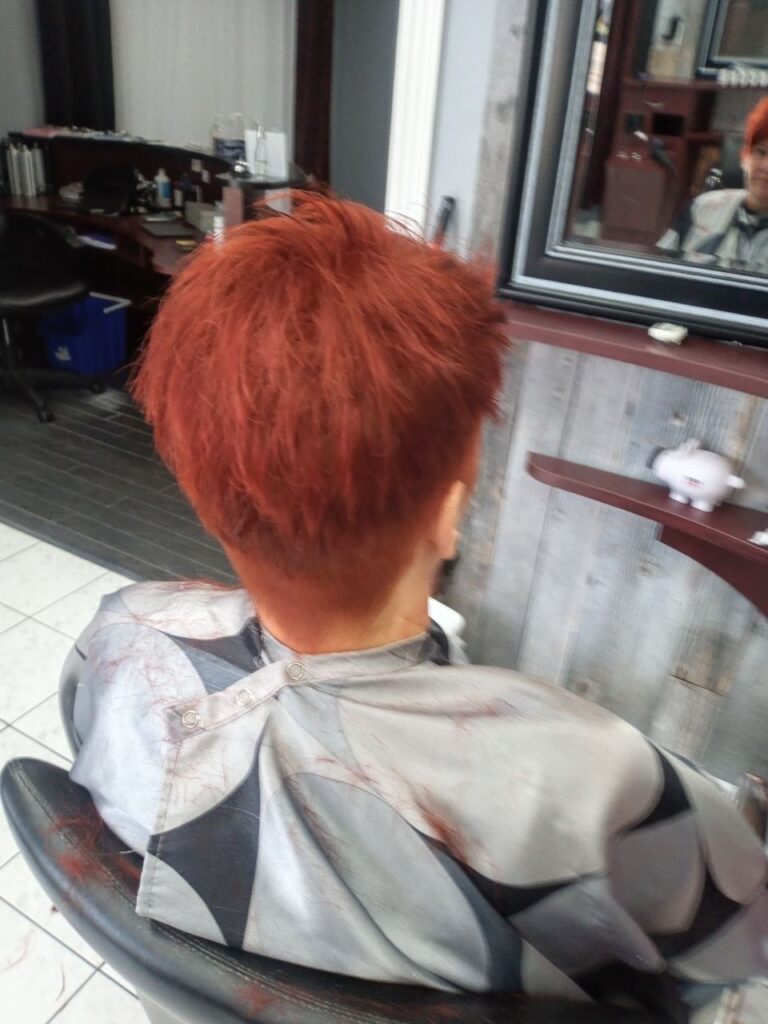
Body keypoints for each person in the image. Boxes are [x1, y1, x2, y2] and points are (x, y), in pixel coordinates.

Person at [60, 192, 768, 1017]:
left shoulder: (119, 638)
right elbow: (740, 964)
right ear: (449, 512)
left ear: (198, 488)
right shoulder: (598, 783)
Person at [657, 96, 768, 272]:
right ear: (744, 156)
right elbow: (661, 275)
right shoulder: (702, 208)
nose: (765, 166)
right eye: (760, 152)